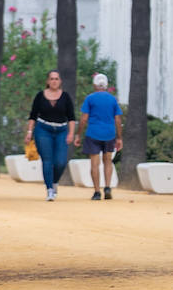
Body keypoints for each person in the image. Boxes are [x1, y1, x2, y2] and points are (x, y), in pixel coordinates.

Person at [25, 70, 77, 201]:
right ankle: (49, 189)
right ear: (48, 81)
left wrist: (71, 133)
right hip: (43, 130)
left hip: (61, 130)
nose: (54, 81)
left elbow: (71, 117)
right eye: (52, 79)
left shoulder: (65, 96)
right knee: (47, 161)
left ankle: (54, 182)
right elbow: (32, 116)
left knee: (60, 162)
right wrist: (29, 132)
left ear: (60, 81)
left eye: (57, 79)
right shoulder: (40, 96)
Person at [78, 73, 123, 201]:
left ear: (94, 85)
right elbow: (118, 120)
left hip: (93, 133)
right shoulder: (112, 99)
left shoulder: (90, 99)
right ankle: (107, 187)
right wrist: (119, 137)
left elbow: (84, 118)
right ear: (106, 85)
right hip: (109, 134)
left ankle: (97, 191)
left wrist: (78, 134)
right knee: (108, 161)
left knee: (94, 164)